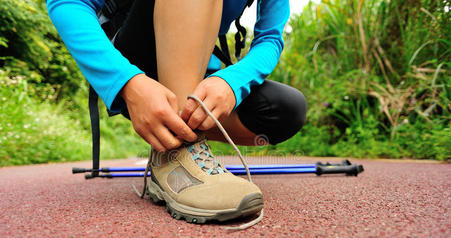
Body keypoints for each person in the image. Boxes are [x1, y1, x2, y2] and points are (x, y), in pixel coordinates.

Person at [47, 0, 306, 224]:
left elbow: (270, 38)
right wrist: (127, 82)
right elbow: (68, 3)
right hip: (135, 65)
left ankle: (177, 134)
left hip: (197, 70)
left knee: (285, 109)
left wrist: (232, 82)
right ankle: (176, 155)